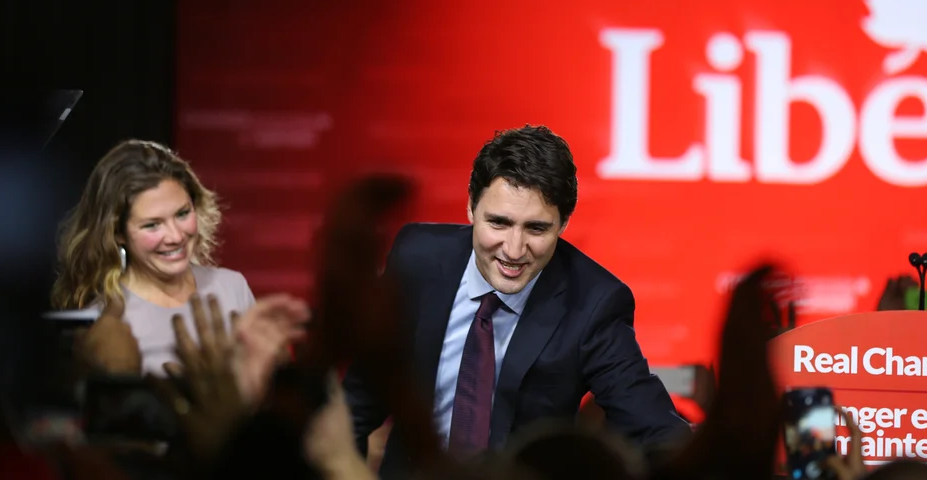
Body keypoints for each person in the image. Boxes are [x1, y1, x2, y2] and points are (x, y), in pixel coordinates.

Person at [343, 125, 691, 477]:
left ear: (563, 223)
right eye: (498, 223)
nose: (513, 250)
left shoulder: (594, 302)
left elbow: (652, 427)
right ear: (471, 207)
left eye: (536, 228)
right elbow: (358, 403)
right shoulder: (416, 258)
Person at [50, 139, 305, 383]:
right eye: (152, 225)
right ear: (118, 233)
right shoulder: (102, 322)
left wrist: (276, 365)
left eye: (182, 213)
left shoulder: (232, 287)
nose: (175, 236)